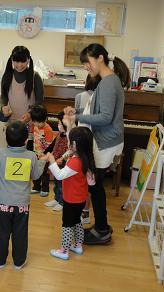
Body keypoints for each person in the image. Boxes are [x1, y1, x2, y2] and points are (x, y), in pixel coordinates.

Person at [64, 43, 131, 245]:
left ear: (100, 57)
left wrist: (79, 115)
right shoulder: (107, 81)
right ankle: (101, 227)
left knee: (95, 187)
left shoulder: (109, 82)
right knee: (96, 186)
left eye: (87, 62)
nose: (86, 67)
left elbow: (105, 117)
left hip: (106, 142)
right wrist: (79, 114)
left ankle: (102, 230)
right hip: (105, 141)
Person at [0, 121, 47, 269]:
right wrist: (42, 161)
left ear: (7, 139)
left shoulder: (1, 153)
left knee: (1, 233)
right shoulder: (31, 156)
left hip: (3, 203)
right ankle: (19, 261)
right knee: (20, 233)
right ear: (25, 140)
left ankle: (0, 260)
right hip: (22, 205)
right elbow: (36, 176)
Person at [48, 127, 96, 260]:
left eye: (70, 143)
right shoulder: (85, 158)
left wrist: (52, 160)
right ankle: (78, 245)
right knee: (77, 221)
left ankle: (64, 251)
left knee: (67, 224)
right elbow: (91, 183)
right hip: (80, 198)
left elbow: (59, 175)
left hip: (71, 199)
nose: (69, 145)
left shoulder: (76, 162)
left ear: (75, 145)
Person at [0, 46, 44, 151]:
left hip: (31, 123)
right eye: (16, 61)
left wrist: (30, 114)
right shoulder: (7, 75)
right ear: (12, 60)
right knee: (13, 152)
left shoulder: (35, 77)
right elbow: (4, 96)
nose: (19, 65)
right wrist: (3, 107)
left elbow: (39, 100)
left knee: (29, 152)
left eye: (23, 61)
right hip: (13, 122)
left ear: (28, 60)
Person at [74, 74, 102, 224]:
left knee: (81, 177)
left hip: (82, 138)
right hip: (95, 142)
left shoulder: (79, 96)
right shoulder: (102, 98)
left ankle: (79, 208)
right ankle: (86, 212)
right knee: (90, 177)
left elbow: (77, 116)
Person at [44, 112, 68, 212]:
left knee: (62, 184)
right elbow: (54, 145)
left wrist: (61, 159)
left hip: (63, 162)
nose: (58, 125)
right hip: (56, 161)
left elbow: (69, 151)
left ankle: (62, 202)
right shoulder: (59, 134)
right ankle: (57, 199)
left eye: (60, 123)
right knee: (57, 183)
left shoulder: (69, 137)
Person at [29, 105, 54, 197]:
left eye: (39, 122)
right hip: (35, 153)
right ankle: (36, 187)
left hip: (44, 155)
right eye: (35, 122)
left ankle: (45, 188)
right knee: (35, 171)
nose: (37, 124)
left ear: (45, 119)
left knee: (44, 173)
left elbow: (49, 145)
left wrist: (44, 155)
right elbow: (31, 138)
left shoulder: (48, 129)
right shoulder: (34, 126)